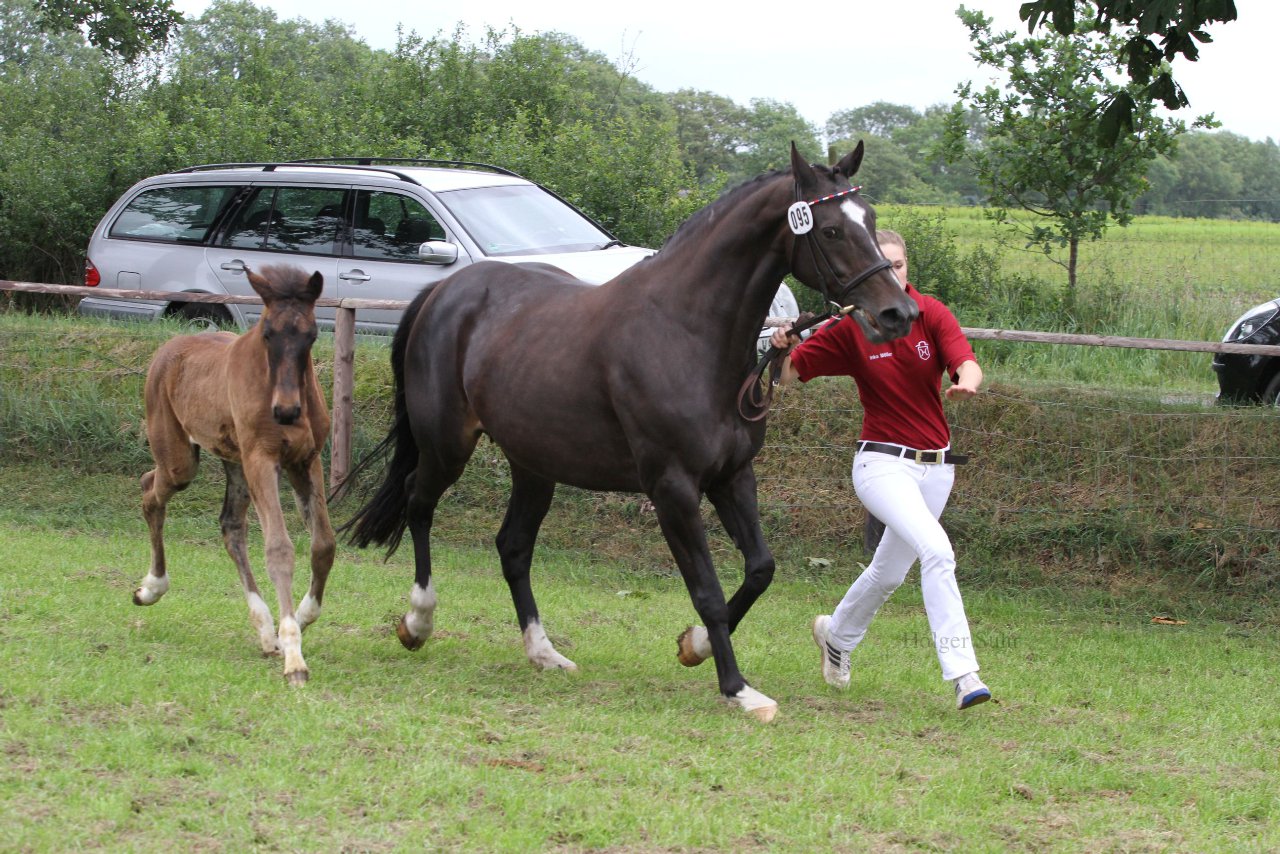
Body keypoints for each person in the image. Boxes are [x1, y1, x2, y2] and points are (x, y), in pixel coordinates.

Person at [769, 229, 991, 710]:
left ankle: (837, 636)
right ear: (866, 270)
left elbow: (966, 363)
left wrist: (966, 385)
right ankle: (963, 673)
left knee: (889, 573)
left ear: (907, 268)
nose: (894, 273)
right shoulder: (851, 327)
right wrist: (782, 346)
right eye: (883, 265)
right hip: (880, 464)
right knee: (937, 551)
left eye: (900, 265)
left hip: (937, 468)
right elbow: (789, 376)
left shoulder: (930, 312)